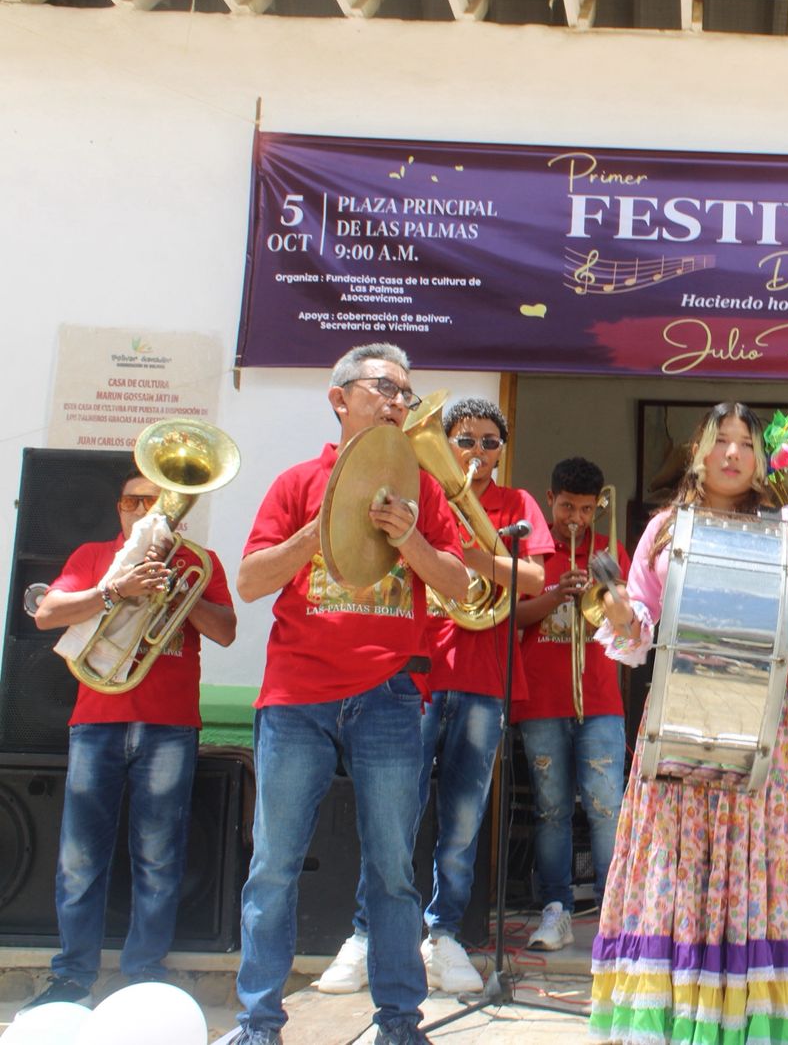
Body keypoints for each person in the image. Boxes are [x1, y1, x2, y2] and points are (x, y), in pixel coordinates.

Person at [588, 402, 788, 1043]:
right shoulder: (663, 529)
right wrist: (621, 612)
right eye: (721, 442)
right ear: (699, 453)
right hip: (685, 710)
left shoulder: (787, 528)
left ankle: (761, 1014)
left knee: (766, 852)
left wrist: (768, 613)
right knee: (682, 858)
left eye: (746, 443)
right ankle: (685, 1008)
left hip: (770, 716)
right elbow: (640, 630)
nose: (734, 453)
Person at [232, 343, 469, 1045]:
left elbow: (459, 586)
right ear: (341, 399)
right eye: (383, 388)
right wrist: (319, 528)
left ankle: (400, 1022)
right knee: (272, 867)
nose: (399, 402)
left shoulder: (424, 488)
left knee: (393, 870)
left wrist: (413, 540)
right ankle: (257, 1024)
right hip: (296, 696)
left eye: (406, 392)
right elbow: (248, 582)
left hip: (390, 697)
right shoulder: (296, 481)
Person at [317, 397, 553, 997]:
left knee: (464, 820)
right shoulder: (410, 493)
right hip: (417, 675)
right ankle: (369, 934)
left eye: (490, 441)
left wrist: (464, 552)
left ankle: (444, 933)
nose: (477, 451)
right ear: (444, 444)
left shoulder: (517, 505)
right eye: (465, 439)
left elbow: (532, 580)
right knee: (393, 816)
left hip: (482, 679)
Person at [22, 467, 236, 1010]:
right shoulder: (94, 556)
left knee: (159, 856)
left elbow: (228, 631)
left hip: (169, 724)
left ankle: (143, 971)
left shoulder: (199, 563)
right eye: (132, 502)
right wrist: (116, 590)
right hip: (97, 719)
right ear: (119, 508)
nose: (142, 512)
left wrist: (178, 600)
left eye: (154, 502)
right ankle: (72, 975)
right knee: (79, 856)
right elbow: (47, 614)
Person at [512, 456, 628, 953]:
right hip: (541, 700)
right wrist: (557, 592)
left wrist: (606, 590)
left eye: (585, 508)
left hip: (600, 700)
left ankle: (613, 916)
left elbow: (626, 624)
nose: (576, 519)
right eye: (566, 507)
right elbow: (513, 618)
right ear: (549, 499)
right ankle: (555, 910)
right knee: (551, 811)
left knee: (607, 809)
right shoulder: (534, 549)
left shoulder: (608, 550)